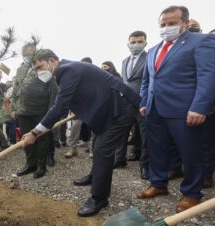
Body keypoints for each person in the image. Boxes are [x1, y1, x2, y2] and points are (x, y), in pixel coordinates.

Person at [22, 49, 140, 217]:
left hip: (121, 107)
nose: (39, 71)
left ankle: (99, 198)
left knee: (102, 150)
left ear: (53, 60)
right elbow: (84, 93)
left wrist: (34, 132)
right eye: (35, 69)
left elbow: (60, 105)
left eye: (40, 66)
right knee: (97, 143)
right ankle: (95, 176)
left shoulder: (68, 70)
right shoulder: (67, 71)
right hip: (108, 108)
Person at [137, 6, 215, 213]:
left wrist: (200, 107)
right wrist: (144, 102)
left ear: (185, 23)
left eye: (172, 23)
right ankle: (158, 183)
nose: (166, 28)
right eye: (163, 24)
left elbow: (208, 77)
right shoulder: (153, 50)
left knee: (191, 153)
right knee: (157, 149)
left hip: (185, 110)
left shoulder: (202, 42)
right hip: (154, 110)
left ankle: (191, 193)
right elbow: (147, 81)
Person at [13, 44, 58, 178]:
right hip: (24, 111)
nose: (27, 55)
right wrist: (15, 107)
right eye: (25, 52)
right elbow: (16, 88)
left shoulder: (43, 66)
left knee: (41, 139)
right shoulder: (21, 70)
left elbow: (54, 90)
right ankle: (30, 164)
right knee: (26, 139)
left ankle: (41, 166)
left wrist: (51, 111)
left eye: (30, 52)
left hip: (41, 110)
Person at [117, 31, 149, 179]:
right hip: (126, 103)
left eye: (140, 42)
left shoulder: (150, 58)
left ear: (145, 43)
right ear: (128, 44)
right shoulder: (124, 61)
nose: (136, 45)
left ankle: (146, 166)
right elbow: (125, 82)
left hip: (143, 102)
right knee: (121, 131)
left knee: (145, 135)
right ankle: (119, 159)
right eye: (133, 42)